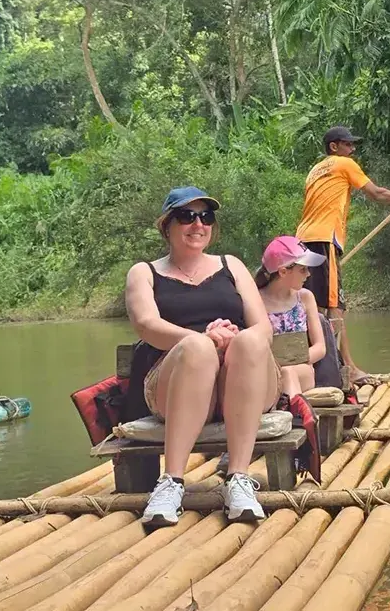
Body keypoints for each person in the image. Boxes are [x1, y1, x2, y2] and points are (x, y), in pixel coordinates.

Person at [125, 186, 280, 527]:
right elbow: (147, 325)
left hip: (242, 379)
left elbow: (263, 327)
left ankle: (239, 478)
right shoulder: (144, 273)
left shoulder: (232, 266)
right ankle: (171, 482)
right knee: (196, 349)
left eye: (205, 216)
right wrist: (204, 339)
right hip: (176, 381)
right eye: (186, 216)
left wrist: (230, 341)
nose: (198, 224)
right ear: (167, 226)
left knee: (251, 342)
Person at [296, 126, 390, 380]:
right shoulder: (343, 164)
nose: (352, 150)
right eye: (348, 145)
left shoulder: (314, 170)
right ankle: (349, 369)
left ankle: (318, 369)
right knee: (334, 307)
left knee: (314, 307)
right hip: (324, 240)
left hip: (302, 242)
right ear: (334, 147)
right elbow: (376, 193)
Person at [255, 236, 327, 396]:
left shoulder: (306, 298)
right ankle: (298, 409)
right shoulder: (255, 301)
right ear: (283, 271)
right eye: (303, 269)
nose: (308, 274)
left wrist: (291, 361)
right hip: (267, 373)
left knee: (289, 373)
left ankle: (292, 406)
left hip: (302, 371)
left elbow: (320, 347)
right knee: (283, 374)